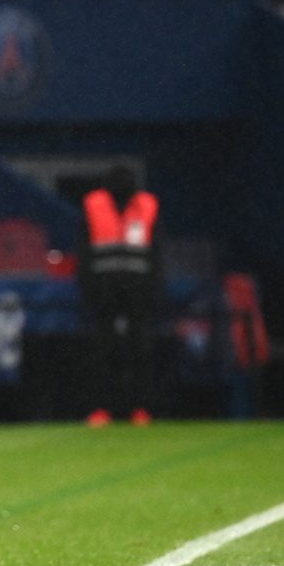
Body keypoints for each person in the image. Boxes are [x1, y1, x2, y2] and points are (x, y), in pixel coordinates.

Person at [77, 166, 163, 428]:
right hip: (104, 291)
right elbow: (84, 251)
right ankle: (102, 409)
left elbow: (155, 252)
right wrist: (88, 290)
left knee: (141, 351)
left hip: (137, 291)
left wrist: (155, 290)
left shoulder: (147, 206)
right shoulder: (93, 205)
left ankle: (141, 408)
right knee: (103, 351)